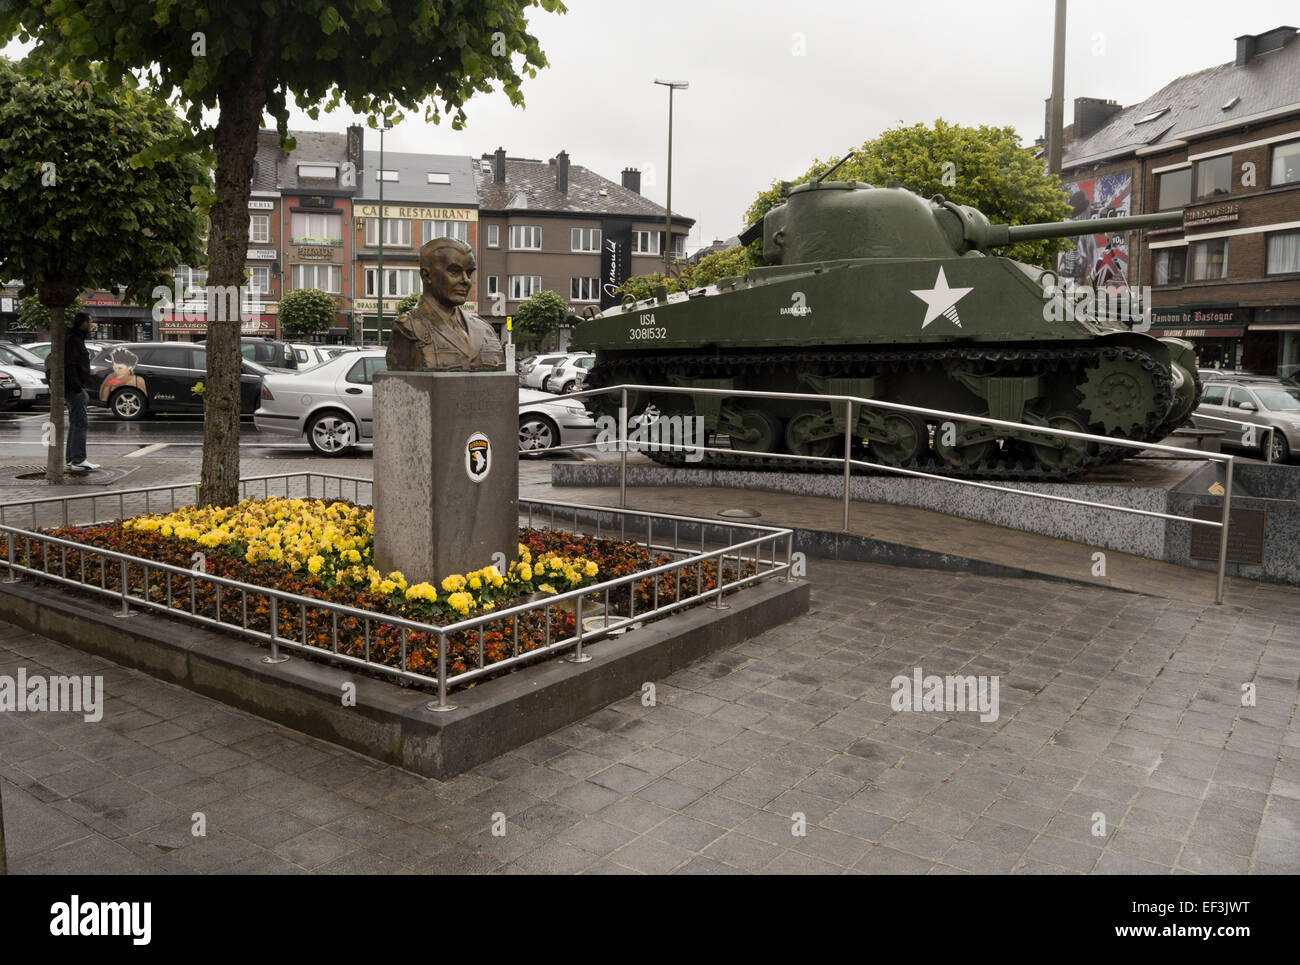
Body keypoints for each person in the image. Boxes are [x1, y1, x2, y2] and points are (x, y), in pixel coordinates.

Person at [385, 238, 504, 372]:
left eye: (469, 273)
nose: (466, 280)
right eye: (454, 272)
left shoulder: (485, 329)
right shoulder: (408, 328)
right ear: (427, 276)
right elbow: (401, 388)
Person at [64, 311, 99, 473]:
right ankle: (78, 459)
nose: (92, 324)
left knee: (75, 423)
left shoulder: (75, 338)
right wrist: (77, 386)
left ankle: (72, 459)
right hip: (74, 389)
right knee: (80, 423)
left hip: (75, 387)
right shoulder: (74, 340)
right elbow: (70, 364)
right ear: (84, 322)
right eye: (90, 321)